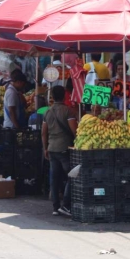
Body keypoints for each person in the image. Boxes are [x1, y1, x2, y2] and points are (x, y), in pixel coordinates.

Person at [42, 85, 77, 216]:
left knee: (54, 178)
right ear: (64, 96)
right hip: (64, 148)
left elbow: (43, 133)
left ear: (52, 97)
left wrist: (45, 148)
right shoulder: (68, 111)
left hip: (52, 148)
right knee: (72, 177)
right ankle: (66, 205)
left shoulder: (47, 112)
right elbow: (74, 131)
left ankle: (55, 207)